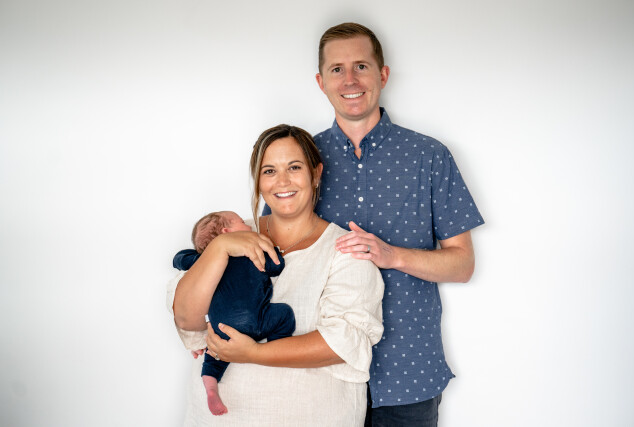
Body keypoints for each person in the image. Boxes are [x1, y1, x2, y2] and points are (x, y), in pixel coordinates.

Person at [265, 22, 485, 426]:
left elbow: (463, 264)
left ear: (382, 75)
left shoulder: (429, 156)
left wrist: (392, 255)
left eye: (361, 66)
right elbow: (269, 258)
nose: (350, 80)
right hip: (320, 374)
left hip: (408, 374)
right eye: (337, 69)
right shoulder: (296, 162)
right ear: (321, 81)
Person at [167, 124, 385, 426]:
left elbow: (341, 343)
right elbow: (186, 318)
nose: (282, 181)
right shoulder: (227, 232)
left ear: (316, 173)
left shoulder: (344, 250)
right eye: (269, 171)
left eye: (294, 167)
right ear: (258, 181)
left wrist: (254, 353)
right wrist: (220, 248)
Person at [172, 210, 295, 416]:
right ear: (226, 232)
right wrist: (272, 248)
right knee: (284, 314)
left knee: (214, 352)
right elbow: (276, 265)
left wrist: (204, 252)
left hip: (221, 327)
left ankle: (210, 385)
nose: (248, 226)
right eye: (241, 223)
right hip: (255, 320)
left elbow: (179, 259)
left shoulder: (203, 262)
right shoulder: (253, 252)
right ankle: (276, 345)